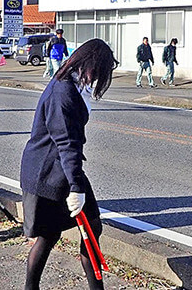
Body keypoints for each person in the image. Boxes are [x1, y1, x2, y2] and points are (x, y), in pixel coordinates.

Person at [20, 38, 118, 290]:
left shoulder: (73, 83)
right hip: (48, 172)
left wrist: (75, 181)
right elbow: (66, 142)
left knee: (91, 227)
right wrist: (76, 187)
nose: (98, 79)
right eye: (100, 72)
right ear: (90, 65)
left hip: (63, 168)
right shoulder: (62, 92)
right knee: (49, 235)